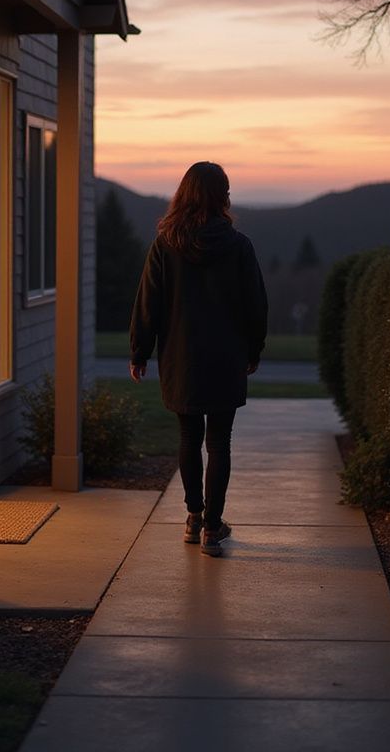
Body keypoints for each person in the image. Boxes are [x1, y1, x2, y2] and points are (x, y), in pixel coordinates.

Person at [129, 161, 268, 557]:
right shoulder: (239, 246)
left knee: (189, 438)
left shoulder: (164, 244)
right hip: (226, 357)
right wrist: (253, 349)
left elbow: (147, 303)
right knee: (219, 441)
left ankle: (193, 517)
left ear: (184, 194)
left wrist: (139, 351)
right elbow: (256, 305)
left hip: (180, 358)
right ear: (222, 195)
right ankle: (212, 528)